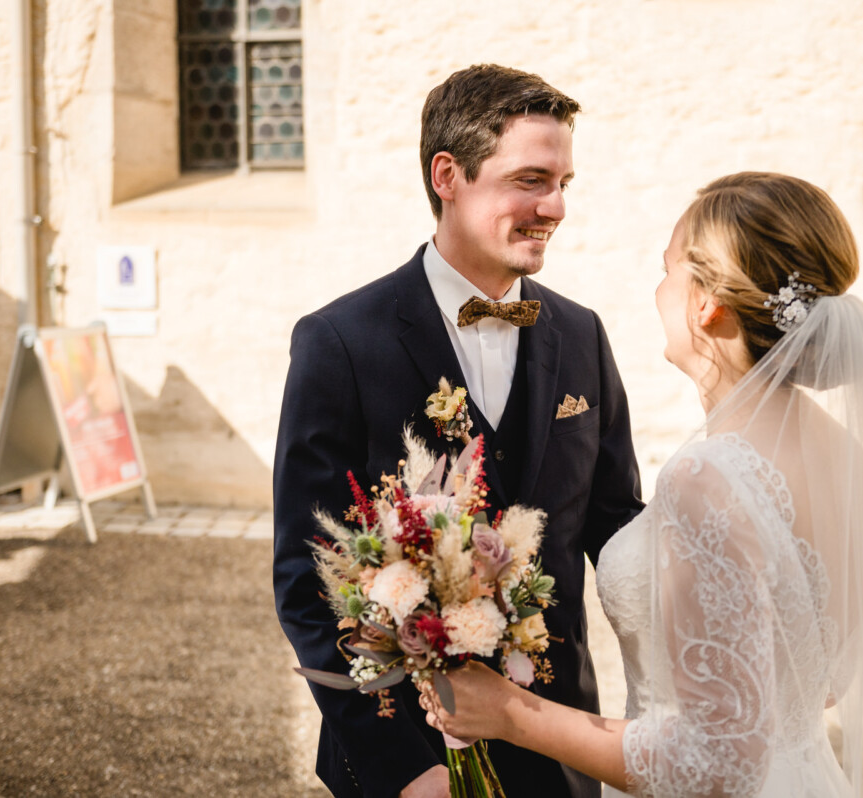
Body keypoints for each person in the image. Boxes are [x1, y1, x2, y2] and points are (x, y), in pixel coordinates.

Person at [421, 172, 863, 797]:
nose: (659, 290)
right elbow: (821, 679)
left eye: (668, 269)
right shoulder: (851, 458)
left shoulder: (708, 477)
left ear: (705, 301)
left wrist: (509, 714)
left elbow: (716, 765)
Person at [273, 64, 644, 798]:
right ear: (448, 175)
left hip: (559, 752)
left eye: (565, 181)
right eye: (532, 180)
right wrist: (406, 770)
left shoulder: (581, 334)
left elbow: (619, 528)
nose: (558, 206)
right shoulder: (341, 343)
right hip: (406, 759)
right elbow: (307, 576)